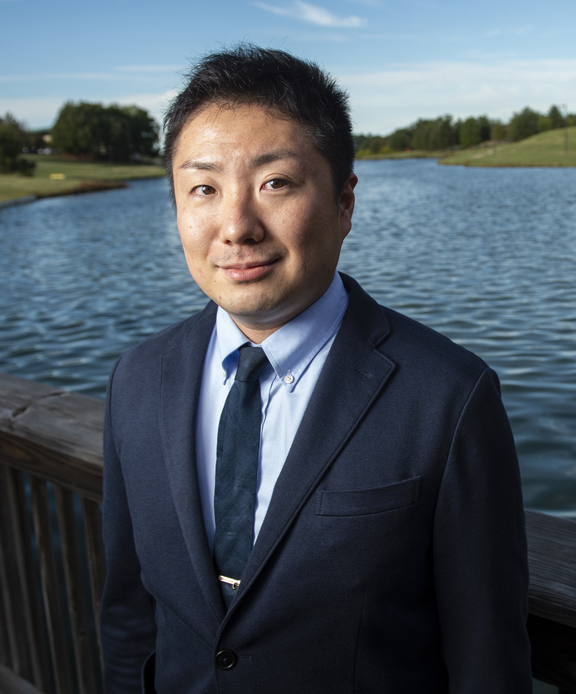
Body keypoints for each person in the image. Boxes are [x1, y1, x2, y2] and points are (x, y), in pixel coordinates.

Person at [100, 45, 530, 693]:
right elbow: (129, 615)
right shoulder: (136, 380)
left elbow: (486, 665)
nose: (237, 226)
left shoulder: (448, 397)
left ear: (344, 202)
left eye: (275, 182)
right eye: (204, 188)